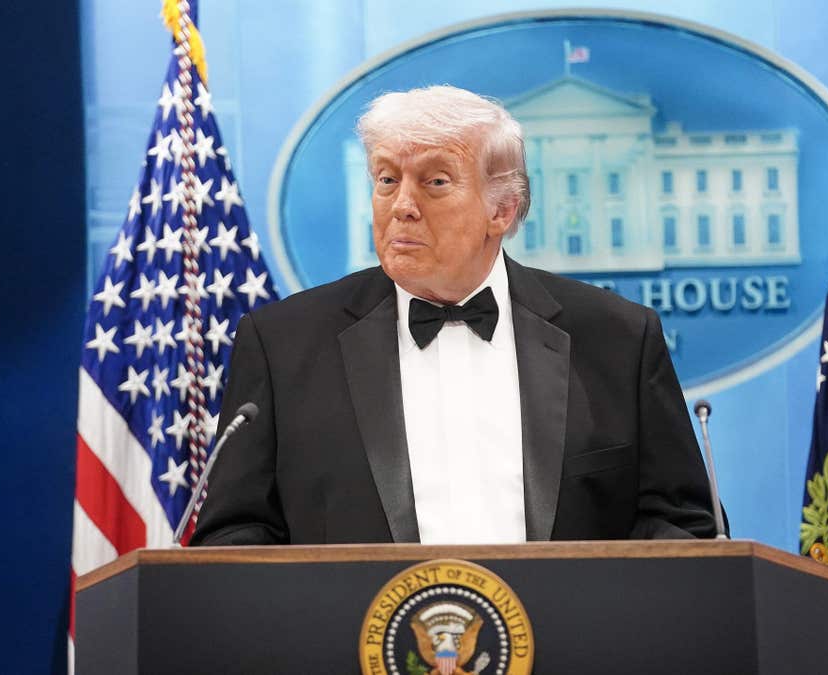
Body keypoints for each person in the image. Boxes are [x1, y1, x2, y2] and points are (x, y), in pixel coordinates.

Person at [191, 85, 721, 546]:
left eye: (436, 182)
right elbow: (235, 536)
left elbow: (683, 524)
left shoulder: (617, 338)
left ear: (501, 210)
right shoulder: (283, 345)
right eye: (386, 180)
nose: (402, 205)